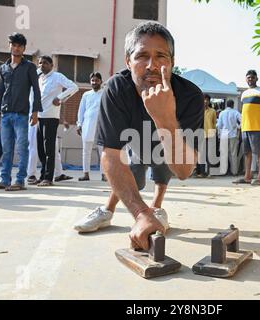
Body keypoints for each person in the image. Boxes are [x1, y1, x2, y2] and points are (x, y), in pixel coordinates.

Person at [73, 22, 203, 250]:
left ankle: (156, 208)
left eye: (161, 56)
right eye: (142, 55)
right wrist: (140, 213)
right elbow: (111, 155)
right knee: (130, 174)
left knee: (163, 171)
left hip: (168, 150)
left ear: (172, 62)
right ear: (128, 61)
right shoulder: (116, 89)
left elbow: (183, 171)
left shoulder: (190, 96)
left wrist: (165, 119)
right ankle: (108, 210)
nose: (152, 66)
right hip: (135, 145)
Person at [0, 33, 42, 191]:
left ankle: (19, 180)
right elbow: (1, 91)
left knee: (22, 148)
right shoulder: (3, 67)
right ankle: (4, 179)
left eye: (19, 46)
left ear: (24, 48)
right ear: (9, 46)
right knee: (6, 149)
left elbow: (36, 90)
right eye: (14, 45)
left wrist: (35, 112)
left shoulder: (30, 67)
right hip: (5, 115)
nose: (16, 48)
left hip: (21, 114)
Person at [31, 55, 78, 187]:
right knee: (40, 148)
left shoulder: (57, 76)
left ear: (52, 65)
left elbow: (74, 87)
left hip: (51, 117)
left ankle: (48, 178)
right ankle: (42, 176)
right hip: (39, 116)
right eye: (40, 63)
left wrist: (60, 98)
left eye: (45, 63)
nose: (42, 65)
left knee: (49, 148)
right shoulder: (39, 78)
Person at [233, 70, 260, 186]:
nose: (250, 80)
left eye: (252, 78)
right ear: (246, 79)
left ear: (256, 79)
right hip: (245, 127)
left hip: (258, 127)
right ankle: (247, 177)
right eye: (248, 78)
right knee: (247, 153)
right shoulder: (244, 94)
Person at [76, 72, 106, 182]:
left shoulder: (105, 93)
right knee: (86, 151)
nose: (94, 82)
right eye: (92, 80)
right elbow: (81, 110)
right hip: (87, 125)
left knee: (102, 151)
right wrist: (79, 124)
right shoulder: (86, 95)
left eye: (97, 80)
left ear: (101, 81)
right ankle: (86, 174)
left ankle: (104, 174)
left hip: (101, 126)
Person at [217, 99, 241, 176]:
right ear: (233, 105)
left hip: (224, 134)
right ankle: (234, 171)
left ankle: (224, 171)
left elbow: (219, 125)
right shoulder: (236, 112)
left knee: (224, 153)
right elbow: (242, 121)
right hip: (233, 135)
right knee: (233, 153)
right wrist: (238, 127)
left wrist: (219, 134)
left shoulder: (222, 113)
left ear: (226, 105)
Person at [195, 94, 216, 178]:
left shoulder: (213, 111)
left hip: (210, 135)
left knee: (210, 155)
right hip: (200, 135)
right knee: (201, 154)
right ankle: (201, 172)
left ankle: (210, 172)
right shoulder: (197, 111)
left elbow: (214, 123)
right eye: (204, 99)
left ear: (209, 101)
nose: (205, 101)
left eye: (207, 100)